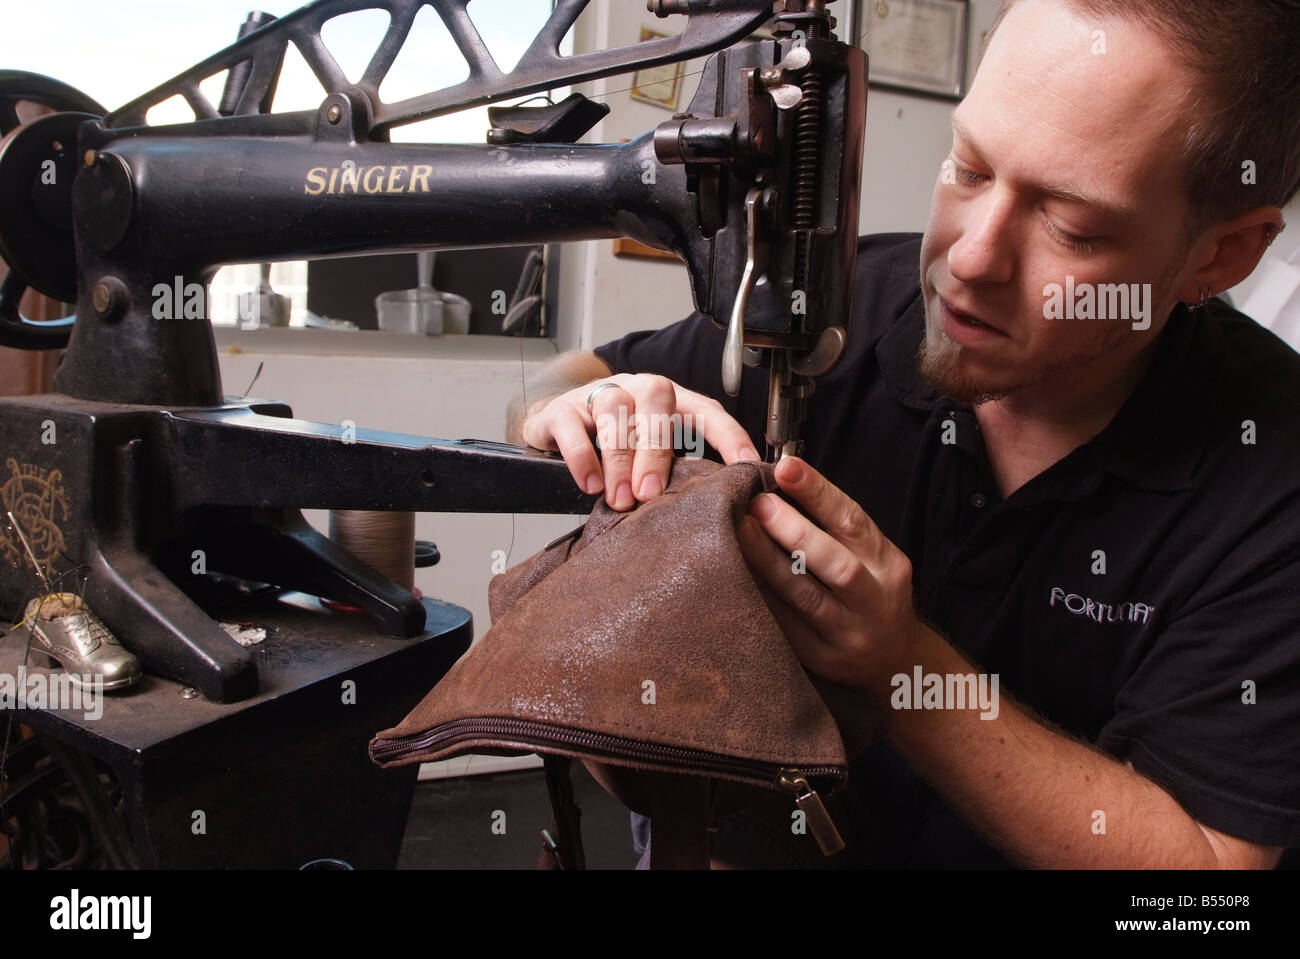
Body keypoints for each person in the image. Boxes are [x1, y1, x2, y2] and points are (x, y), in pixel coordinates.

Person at [506, 0, 1300, 868]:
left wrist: (901, 670)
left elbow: (1211, 882)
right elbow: (561, 380)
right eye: (967, 168)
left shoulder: (1271, 468)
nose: (968, 259)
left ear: (1220, 257)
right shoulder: (828, 299)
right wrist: (591, 409)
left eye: (1069, 225)